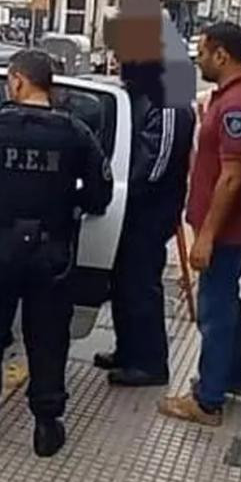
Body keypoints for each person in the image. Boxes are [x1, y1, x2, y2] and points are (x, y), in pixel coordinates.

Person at [0, 50, 113, 457]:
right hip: (52, 255)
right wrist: (72, 199)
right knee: (47, 339)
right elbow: (102, 193)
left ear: (17, 81)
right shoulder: (76, 133)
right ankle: (46, 426)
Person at [159, 22, 241, 426]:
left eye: (203, 51)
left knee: (215, 308)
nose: (198, 58)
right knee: (228, 301)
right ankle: (232, 377)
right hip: (235, 224)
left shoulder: (239, 104)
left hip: (229, 228)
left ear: (222, 54)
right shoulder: (240, 95)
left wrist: (206, 237)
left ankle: (208, 400)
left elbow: (232, 176)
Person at [94, 61, 196, 386]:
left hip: (149, 209)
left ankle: (150, 363)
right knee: (123, 283)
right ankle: (128, 350)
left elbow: (156, 164)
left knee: (141, 285)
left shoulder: (168, 102)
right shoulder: (137, 94)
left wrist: (123, 190)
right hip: (132, 206)